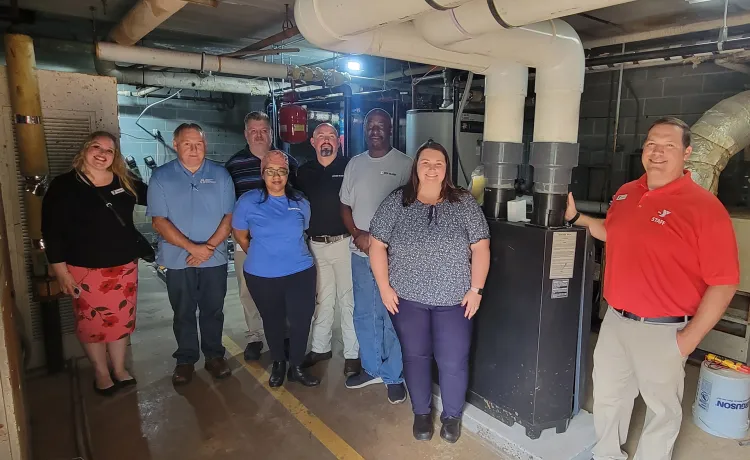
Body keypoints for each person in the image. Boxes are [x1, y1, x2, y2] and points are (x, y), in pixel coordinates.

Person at [567, 117, 739, 460]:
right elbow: (614, 232)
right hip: (615, 321)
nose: (657, 152)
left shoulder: (705, 209)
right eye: (651, 144)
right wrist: (576, 219)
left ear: (687, 152)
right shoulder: (627, 192)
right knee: (609, 396)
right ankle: (607, 455)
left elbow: (724, 282)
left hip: (664, 330)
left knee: (662, 411)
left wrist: (688, 339)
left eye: (669, 145)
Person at [369, 140, 490, 443]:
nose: (432, 168)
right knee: (416, 357)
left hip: (455, 300)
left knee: (453, 361)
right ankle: (421, 413)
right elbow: (377, 244)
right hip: (408, 299)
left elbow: (481, 246)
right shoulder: (398, 202)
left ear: (446, 168)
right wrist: (384, 288)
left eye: (438, 163)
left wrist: (476, 289)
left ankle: (451, 417)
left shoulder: (463, 202)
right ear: (416, 167)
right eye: (426, 162)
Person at [42, 131, 147, 396]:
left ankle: (120, 369)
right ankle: (101, 373)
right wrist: (60, 271)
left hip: (123, 267)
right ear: (84, 150)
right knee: (92, 324)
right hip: (83, 269)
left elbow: (157, 196)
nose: (102, 154)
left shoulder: (125, 180)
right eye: (96, 147)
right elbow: (51, 231)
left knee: (120, 321)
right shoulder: (64, 185)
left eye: (109, 150)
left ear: (115, 156)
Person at [147, 123, 235, 386]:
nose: (194, 149)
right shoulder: (161, 177)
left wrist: (207, 249)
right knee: (183, 310)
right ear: (175, 145)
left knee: (213, 310)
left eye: (199, 143)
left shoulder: (220, 175)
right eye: (187, 144)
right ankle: (185, 360)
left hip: (213, 258)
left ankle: (214, 356)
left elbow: (229, 216)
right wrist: (193, 248)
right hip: (178, 259)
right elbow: (159, 221)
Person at [340, 108, 413, 404]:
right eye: (370, 125)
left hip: (394, 257)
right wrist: (357, 233)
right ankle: (371, 368)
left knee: (393, 313)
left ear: (390, 129)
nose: (375, 130)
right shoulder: (355, 164)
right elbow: (344, 204)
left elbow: (413, 210)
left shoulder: (405, 164)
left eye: (380, 126)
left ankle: (394, 375)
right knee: (365, 312)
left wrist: (383, 241)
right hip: (360, 254)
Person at [232, 150, 319, 387]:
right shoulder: (248, 201)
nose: (276, 176)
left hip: (300, 272)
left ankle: (297, 365)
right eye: (270, 171)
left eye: (281, 171)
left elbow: (305, 229)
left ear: (288, 174)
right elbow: (240, 234)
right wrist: (261, 254)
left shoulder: (300, 201)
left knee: (301, 320)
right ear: (262, 173)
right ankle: (279, 363)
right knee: (273, 320)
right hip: (262, 276)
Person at [225, 111, 299, 361]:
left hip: (282, 244)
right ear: (246, 134)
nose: (259, 135)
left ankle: (285, 334)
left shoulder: (288, 161)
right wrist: (243, 241)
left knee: (283, 290)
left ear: (271, 132)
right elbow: (230, 207)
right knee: (248, 290)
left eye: (264, 130)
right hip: (247, 242)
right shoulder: (233, 165)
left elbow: (297, 200)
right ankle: (254, 336)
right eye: (253, 131)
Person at [297, 123, 360, 377]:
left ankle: (352, 354)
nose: (326, 140)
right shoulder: (303, 172)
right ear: (312, 142)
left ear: (339, 141)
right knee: (322, 300)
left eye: (331, 136)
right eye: (321, 136)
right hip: (315, 245)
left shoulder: (349, 168)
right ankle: (320, 347)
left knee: (348, 300)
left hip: (344, 243)